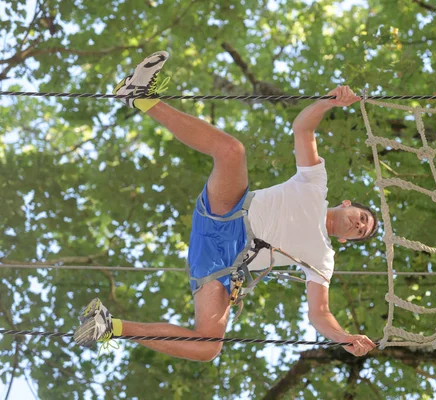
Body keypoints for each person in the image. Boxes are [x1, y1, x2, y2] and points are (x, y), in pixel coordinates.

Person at [73, 51, 378, 360]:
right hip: (227, 213)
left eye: (362, 232)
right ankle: (138, 97)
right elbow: (303, 129)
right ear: (346, 204)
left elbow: (319, 313)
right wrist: (327, 102)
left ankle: (108, 326)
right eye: (363, 217)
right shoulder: (316, 184)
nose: (360, 224)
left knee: (209, 348)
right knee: (232, 151)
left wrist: (344, 336)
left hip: (222, 265)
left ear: (345, 240)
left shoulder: (323, 258)